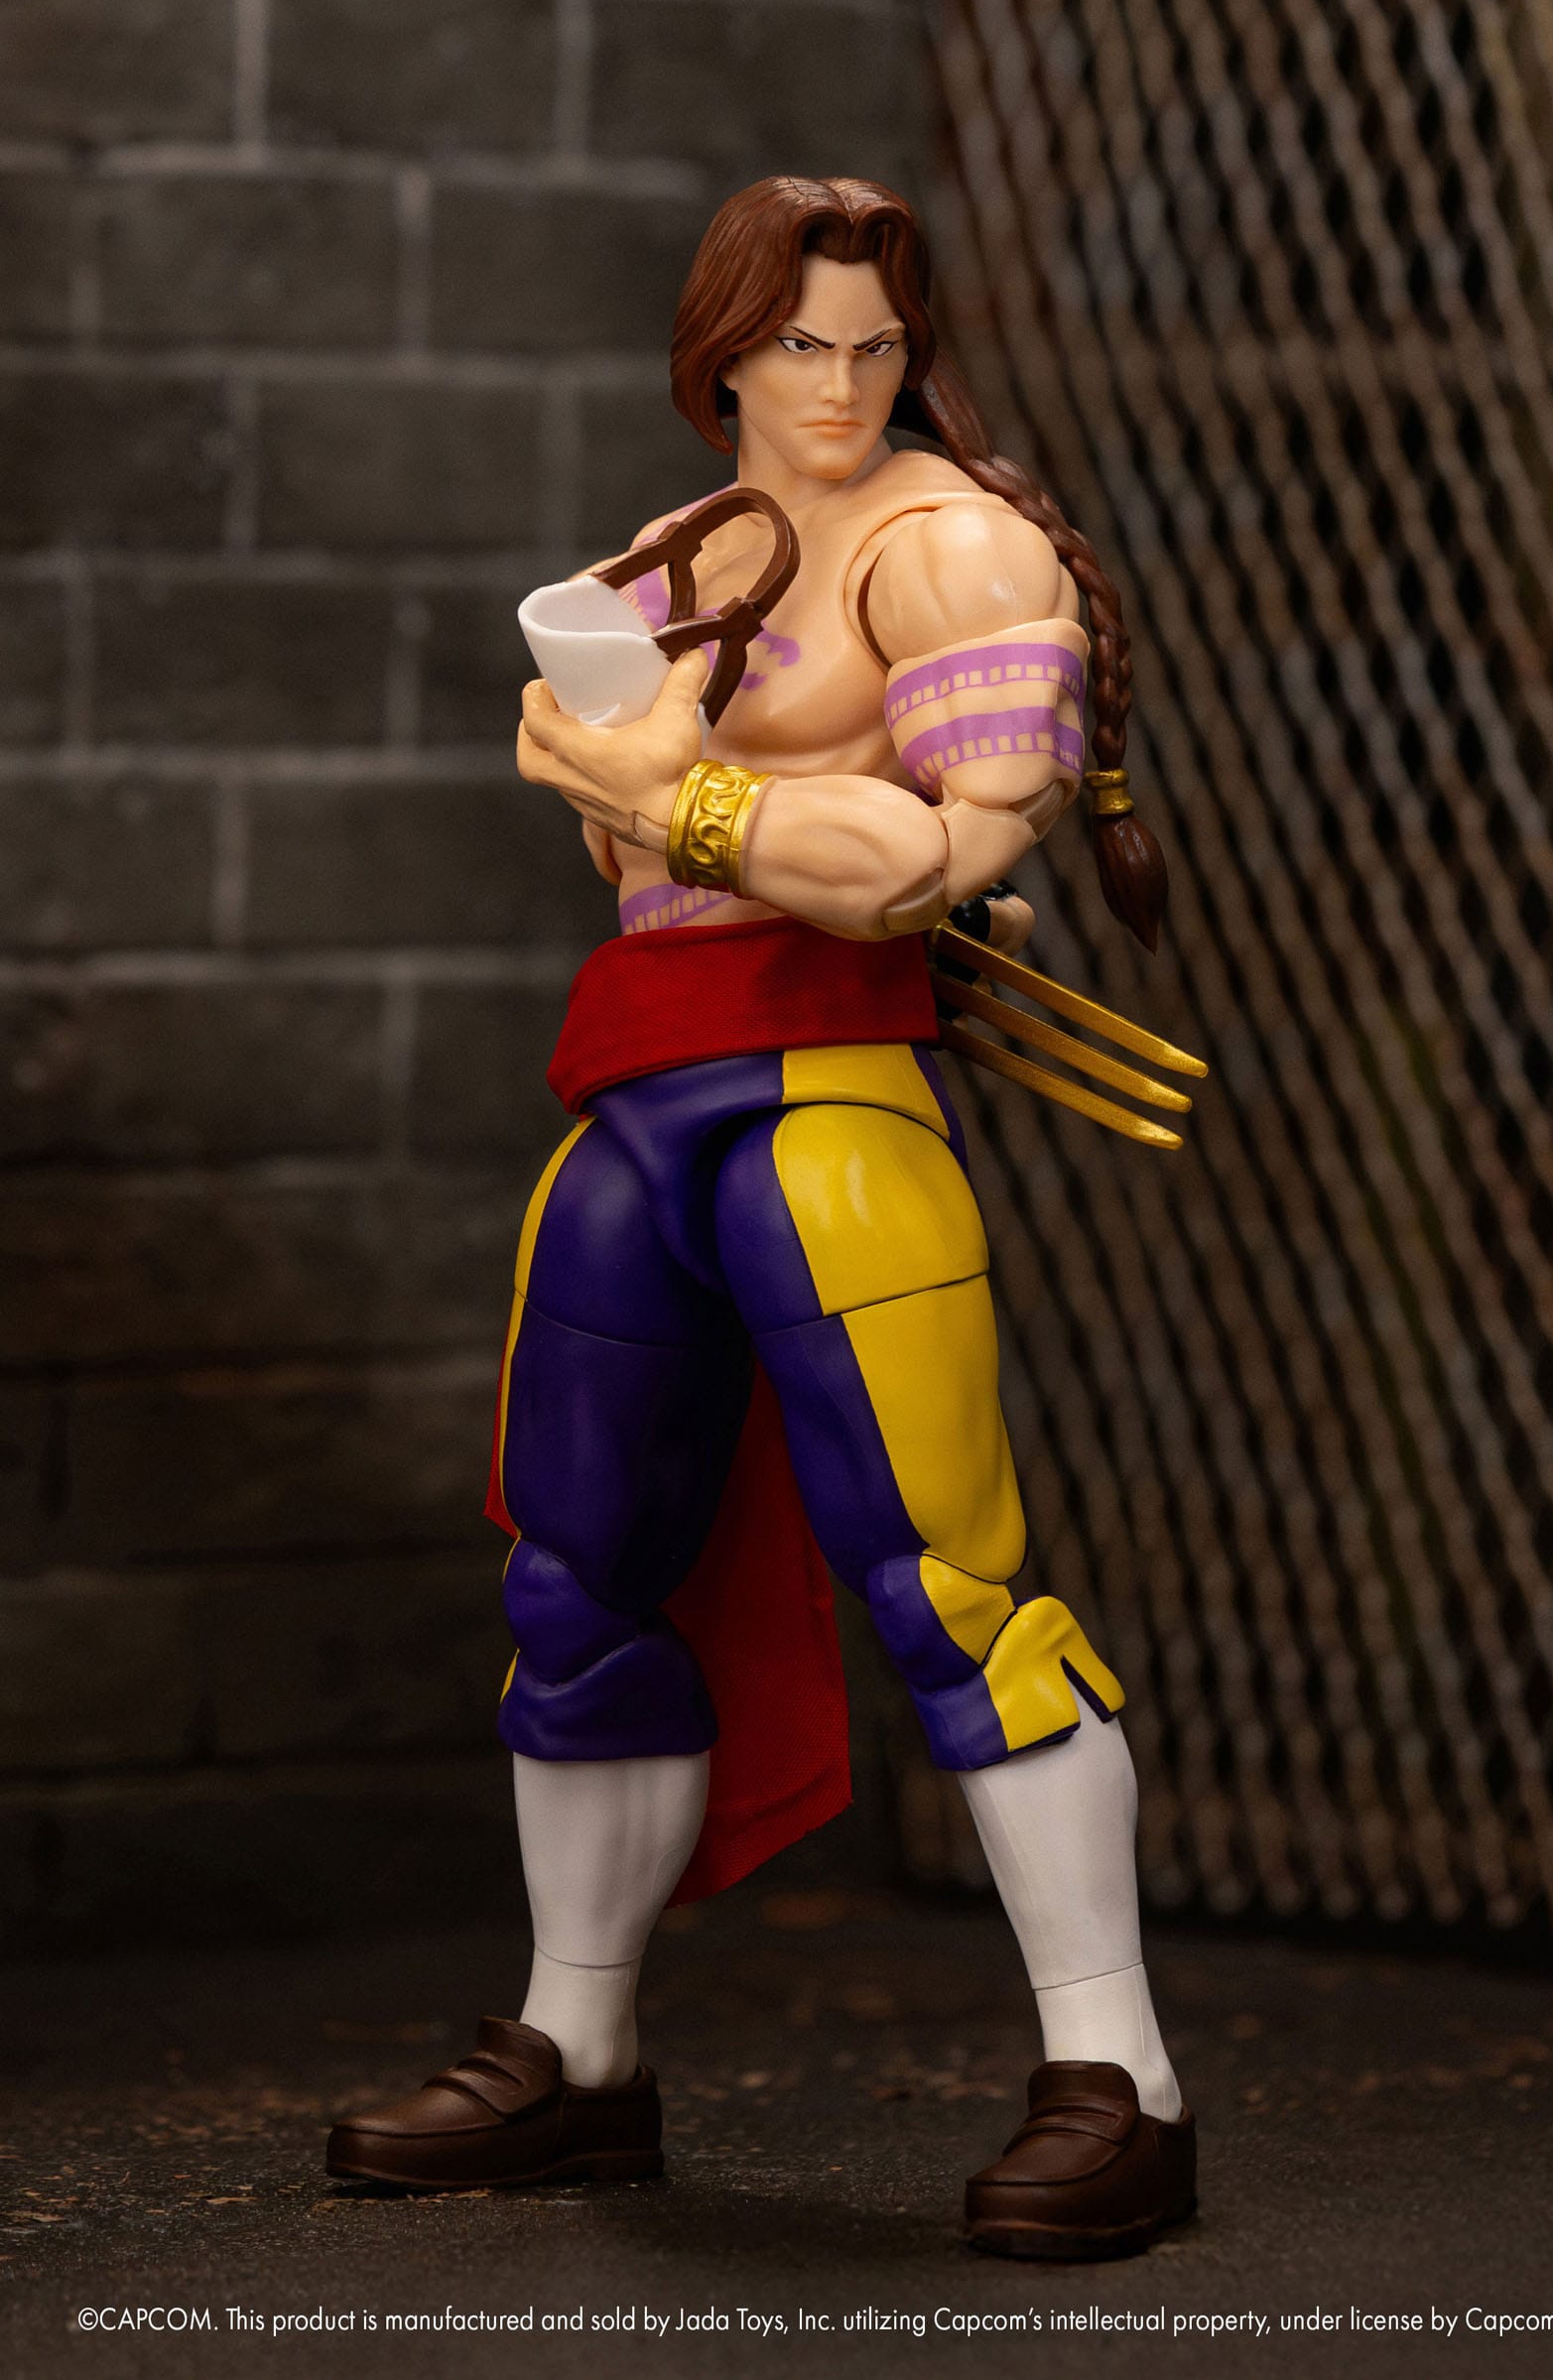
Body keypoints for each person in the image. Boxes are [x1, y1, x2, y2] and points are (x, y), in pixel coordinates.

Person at [325, 176, 1194, 2260]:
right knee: (576, 1578)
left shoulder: (953, 547)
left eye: (876, 344)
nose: (840, 381)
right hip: (646, 1098)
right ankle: (579, 2051)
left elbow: (947, 856)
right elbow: (620, 827)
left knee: (950, 1583)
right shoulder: (670, 557)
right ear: (722, 350)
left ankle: (1118, 2076)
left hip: (833, 1109)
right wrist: (641, 790)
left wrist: (681, 794)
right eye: (802, 342)